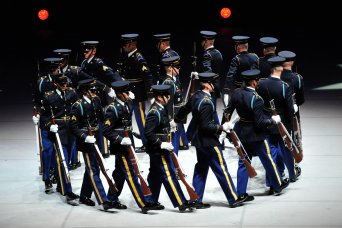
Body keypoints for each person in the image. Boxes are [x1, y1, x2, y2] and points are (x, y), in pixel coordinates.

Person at [175, 72, 247, 208]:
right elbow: (206, 126)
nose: (216, 86)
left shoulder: (196, 95)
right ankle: (233, 198)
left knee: (201, 168)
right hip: (210, 142)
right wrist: (222, 127)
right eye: (214, 83)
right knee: (221, 169)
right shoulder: (207, 102)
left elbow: (185, 109)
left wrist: (176, 120)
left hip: (199, 141)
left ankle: (196, 198)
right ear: (208, 85)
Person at [223, 69, 289, 199]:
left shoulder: (236, 93)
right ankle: (277, 185)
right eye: (257, 81)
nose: (258, 83)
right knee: (268, 159)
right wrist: (272, 120)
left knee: (243, 161)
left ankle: (241, 192)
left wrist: (226, 126)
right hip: (256, 135)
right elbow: (259, 122)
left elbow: (227, 112)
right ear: (253, 82)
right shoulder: (257, 99)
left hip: (241, 132)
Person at [102, 80, 163, 213]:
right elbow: (106, 130)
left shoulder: (128, 103)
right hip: (121, 146)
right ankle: (144, 202)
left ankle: (111, 199)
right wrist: (119, 139)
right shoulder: (112, 109)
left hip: (128, 143)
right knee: (131, 173)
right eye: (126, 92)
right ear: (119, 94)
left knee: (119, 174)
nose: (129, 94)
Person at [145, 84, 196, 213]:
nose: (169, 97)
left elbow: (161, 126)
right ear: (159, 97)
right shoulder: (154, 112)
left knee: (155, 176)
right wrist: (161, 144)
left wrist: (169, 126)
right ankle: (181, 202)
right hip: (159, 150)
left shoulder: (161, 108)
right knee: (169, 175)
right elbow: (148, 133)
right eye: (166, 95)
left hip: (160, 148)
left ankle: (150, 201)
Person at [69, 79, 117, 211]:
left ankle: (84, 195)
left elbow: (102, 118)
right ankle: (103, 200)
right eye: (93, 91)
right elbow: (73, 127)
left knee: (92, 168)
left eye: (96, 90)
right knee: (93, 169)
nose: (95, 93)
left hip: (97, 139)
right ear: (85, 91)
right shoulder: (78, 105)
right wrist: (85, 137)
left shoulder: (96, 101)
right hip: (86, 142)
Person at [256, 56, 298, 186]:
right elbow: (290, 110)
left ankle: (272, 180)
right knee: (287, 149)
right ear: (280, 70)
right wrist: (294, 109)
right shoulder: (285, 86)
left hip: (267, 121)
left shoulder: (261, 84)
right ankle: (292, 174)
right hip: (282, 123)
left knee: (271, 152)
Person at [40, 72, 80, 205]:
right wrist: (49, 125)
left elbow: (76, 110)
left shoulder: (72, 94)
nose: (64, 86)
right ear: (55, 84)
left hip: (70, 131)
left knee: (66, 161)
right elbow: (44, 117)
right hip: (57, 132)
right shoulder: (49, 98)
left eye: (66, 83)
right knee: (62, 160)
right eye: (62, 84)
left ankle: (59, 184)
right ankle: (67, 191)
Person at [80, 41, 122, 158]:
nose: (85, 53)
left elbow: (110, 73)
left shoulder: (98, 62)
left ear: (94, 51)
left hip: (99, 95)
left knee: (101, 121)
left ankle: (104, 150)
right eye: (84, 50)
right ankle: (95, 146)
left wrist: (119, 86)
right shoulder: (84, 63)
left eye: (87, 50)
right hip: (87, 94)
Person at [32, 57, 64, 192]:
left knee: (60, 151)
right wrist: (36, 114)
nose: (54, 71)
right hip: (46, 121)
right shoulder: (41, 82)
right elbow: (37, 99)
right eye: (52, 69)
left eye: (55, 68)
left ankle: (58, 175)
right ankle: (47, 178)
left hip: (60, 122)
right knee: (47, 150)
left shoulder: (64, 80)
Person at [120, 34, 154, 153]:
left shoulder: (138, 58)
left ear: (131, 44)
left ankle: (147, 142)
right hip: (130, 92)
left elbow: (148, 76)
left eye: (126, 45)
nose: (124, 48)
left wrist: (151, 94)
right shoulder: (129, 56)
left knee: (141, 118)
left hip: (138, 93)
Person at [53, 48, 82, 170]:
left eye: (63, 59)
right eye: (59, 59)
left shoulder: (74, 70)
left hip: (73, 103)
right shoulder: (53, 72)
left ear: (67, 59)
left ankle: (74, 160)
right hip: (58, 108)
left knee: (73, 136)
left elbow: (86, 80)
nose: (60, 62)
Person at [278, 50, 304, 180]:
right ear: (292, 62)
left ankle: (280, 169)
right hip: (292, 115)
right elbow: (301, 100)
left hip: (278, 113)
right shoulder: (297, 78)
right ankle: (292, 168)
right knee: (291, 140)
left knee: (278, 141)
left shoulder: (277, 77)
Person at [159, 56, 189, 154]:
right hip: (173, 119)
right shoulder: (168, 82)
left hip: (177, 117)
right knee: (173, 143)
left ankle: (174, 165)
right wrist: (171, 119)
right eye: (177, 66)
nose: (179, 68)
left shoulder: (174, 80)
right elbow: (168, 103)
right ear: (170, 68)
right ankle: (172, 166)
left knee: (175, 141)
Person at [224, 35, 259, 104]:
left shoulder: (236, 59)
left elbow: (230, 75)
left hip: (240, 88)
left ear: (238, 47)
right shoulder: (255, 56)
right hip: (254, 87)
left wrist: (226, 90)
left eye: (236, 45)